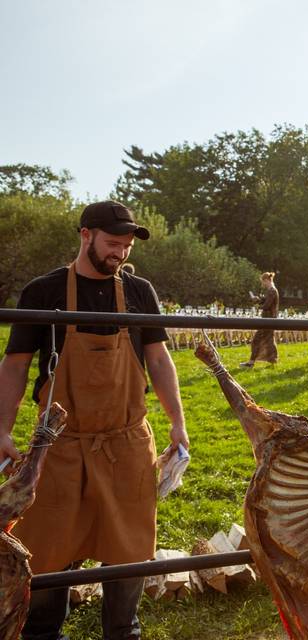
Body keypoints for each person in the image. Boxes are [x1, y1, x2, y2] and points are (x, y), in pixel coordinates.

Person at [0, 200, 189, 639]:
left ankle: (123, 632)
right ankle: (44, 633)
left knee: (129, 550)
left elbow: (159, 361)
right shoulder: (42, 292)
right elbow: (15, 365)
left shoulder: (140, 292)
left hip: (125, 444)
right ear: (85, 235)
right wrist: (2, 429)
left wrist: (177, 421)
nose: (120, 254)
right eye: (112, 243)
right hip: (62, 448)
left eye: (125, 246)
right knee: (47, 550)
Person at [240, 271, 279, 368]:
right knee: (269, 341)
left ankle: (251, 362)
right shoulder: (271, 290)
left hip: (268, 320)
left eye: (262, 282)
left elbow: (266, 305)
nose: (262, 284)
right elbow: (265, 300)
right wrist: (257, 299)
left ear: (267, 280)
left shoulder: (272, 291)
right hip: (269, 319)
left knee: (257, 340)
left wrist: (257, 306)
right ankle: (272, 361)